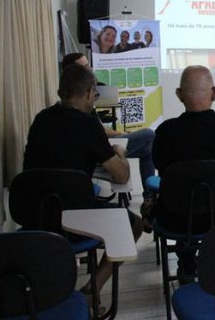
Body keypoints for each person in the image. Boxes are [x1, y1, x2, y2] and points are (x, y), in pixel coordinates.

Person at [23, 64, 143, 298]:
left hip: (35, 215)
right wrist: (120, 154)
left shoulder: (41, 119)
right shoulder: (87, 124)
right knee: (134, 225)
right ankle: (91, 291)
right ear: (89, 93)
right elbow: (121, 176)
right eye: (95, 95)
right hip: (77, 219)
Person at [151, 65, 215, 278]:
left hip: (175, 217)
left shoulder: (165, 131)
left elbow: (162, 171)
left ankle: (186, 260)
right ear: (214, 93)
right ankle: (212, 261)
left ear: (179, 95)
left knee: (182, 197)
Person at [60, 53, 155, 187]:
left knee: (147, 150)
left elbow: (99, 129)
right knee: (149, 134)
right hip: (99, 152)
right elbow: (122, 176)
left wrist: (121, 134)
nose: (90, 69)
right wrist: (121, 145)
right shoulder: (85, 119)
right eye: (86, 67)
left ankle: (149, 196)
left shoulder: (43, 118)